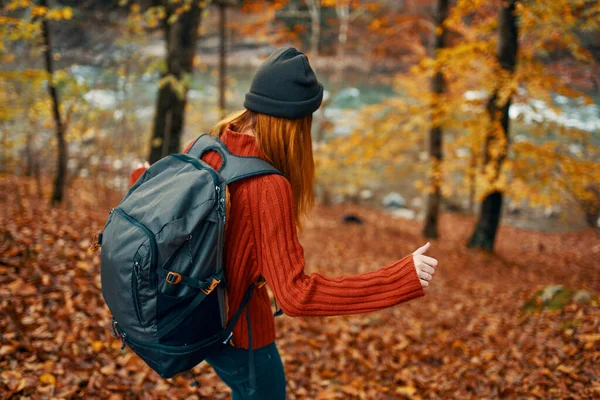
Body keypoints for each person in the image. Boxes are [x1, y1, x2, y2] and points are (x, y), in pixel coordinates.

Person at [131, 47, 438, 399]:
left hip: (190, 314)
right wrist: (401, 277)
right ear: (297, 124)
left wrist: (141, 178)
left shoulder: (204, 146)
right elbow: (296, 296)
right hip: (240, 334)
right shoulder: (268, 187)